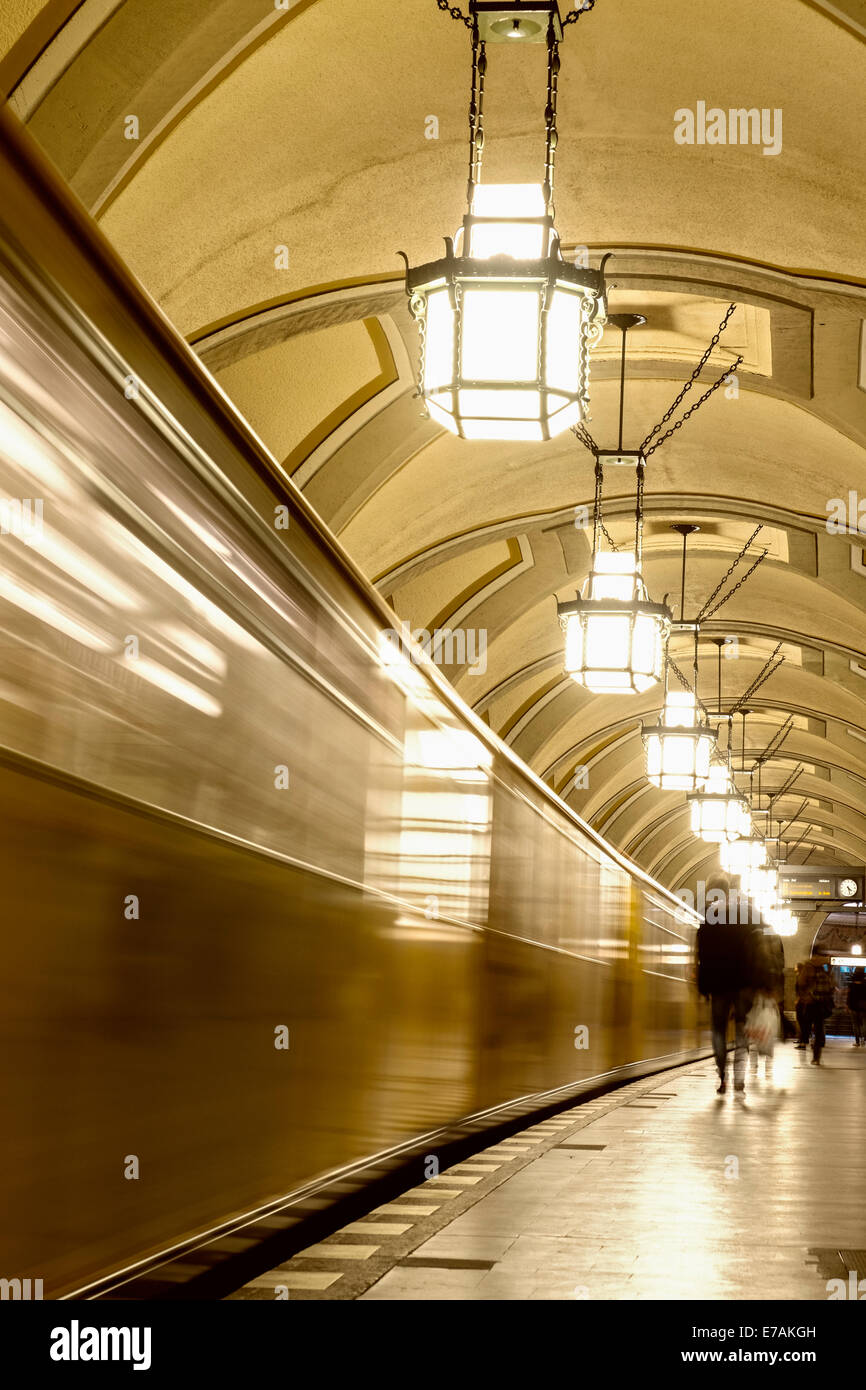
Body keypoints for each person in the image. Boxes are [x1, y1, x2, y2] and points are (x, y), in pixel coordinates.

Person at [697, 873, 761, 1094]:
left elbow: (702, 952)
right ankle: (739, 1079)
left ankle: (722, 1076)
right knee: (742, 1030)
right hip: (742, 983)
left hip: (717, 983)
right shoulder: (744, 914)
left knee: (718, 1030)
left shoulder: (708, 916)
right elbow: (755, 947)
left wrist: (703, 986)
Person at [748, 923, 785, 1078]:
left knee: (754, 1033)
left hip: (756, 998)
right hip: (769, 998)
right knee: (767, 1033)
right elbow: (780, 974)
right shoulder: (774, 957)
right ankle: (767, 1066)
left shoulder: (751, 953)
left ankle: (754, 1065)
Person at [801, 960, 835, 1065]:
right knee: (817, 1029)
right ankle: (816, 1056)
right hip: (817, 1005)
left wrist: (809, 996)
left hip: (815, 1004)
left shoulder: (818, 972)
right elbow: (831, 988)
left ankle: (816, 1056)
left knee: (816, 1028)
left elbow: (828, 988)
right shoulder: (823, 971)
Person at [794, 961, 811, 1050]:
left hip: (802, 1003)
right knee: (803, 1023)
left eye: (796, 967)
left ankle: (803, 1042)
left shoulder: (802, 978)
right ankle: (803, 1041)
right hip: (802, 1002)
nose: (794, 968)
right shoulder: (800, 977)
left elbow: (801, 990)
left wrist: (799, 999)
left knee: (803, 1023)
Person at [848, 968, 866, 1046]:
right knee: (864, 1023)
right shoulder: (865, 985)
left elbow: (849, 996)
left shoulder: (851, 985)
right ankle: (864, 1040)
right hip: (863, 1007)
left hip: (853, 1007)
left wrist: (847, 1005)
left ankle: (857, 1041)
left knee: (855, 1024)